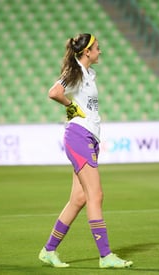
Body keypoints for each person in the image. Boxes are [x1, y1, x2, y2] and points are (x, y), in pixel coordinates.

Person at [38, 33, 133, 269]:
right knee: (96, 195)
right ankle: (105, 255)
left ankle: (49, 250)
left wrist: (77, 109)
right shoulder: (77, 71)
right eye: (97, 48)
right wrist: (72, 107)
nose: (100, 51)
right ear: (87, 52)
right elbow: (54, 92)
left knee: (79, 198)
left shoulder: (89, 73)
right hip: (79, 136)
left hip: (88, 137)